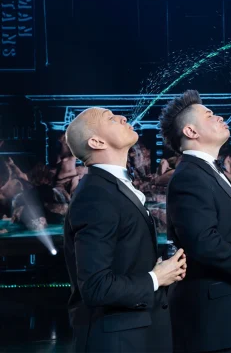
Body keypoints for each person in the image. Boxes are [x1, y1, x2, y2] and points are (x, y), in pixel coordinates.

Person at [64, 107, 186, 353]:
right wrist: (156, 278)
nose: (122, 118)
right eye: (110, 118)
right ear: (96, 142)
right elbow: (95, 286)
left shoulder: (112, 186)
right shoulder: (96, 195)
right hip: (118, 341)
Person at [161, 90, 231, 353]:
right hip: (215, 323)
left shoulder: (211, 171)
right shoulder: (188, 177)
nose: (220, 117)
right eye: (210, 115)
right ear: (191, 131)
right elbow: (202, 243)